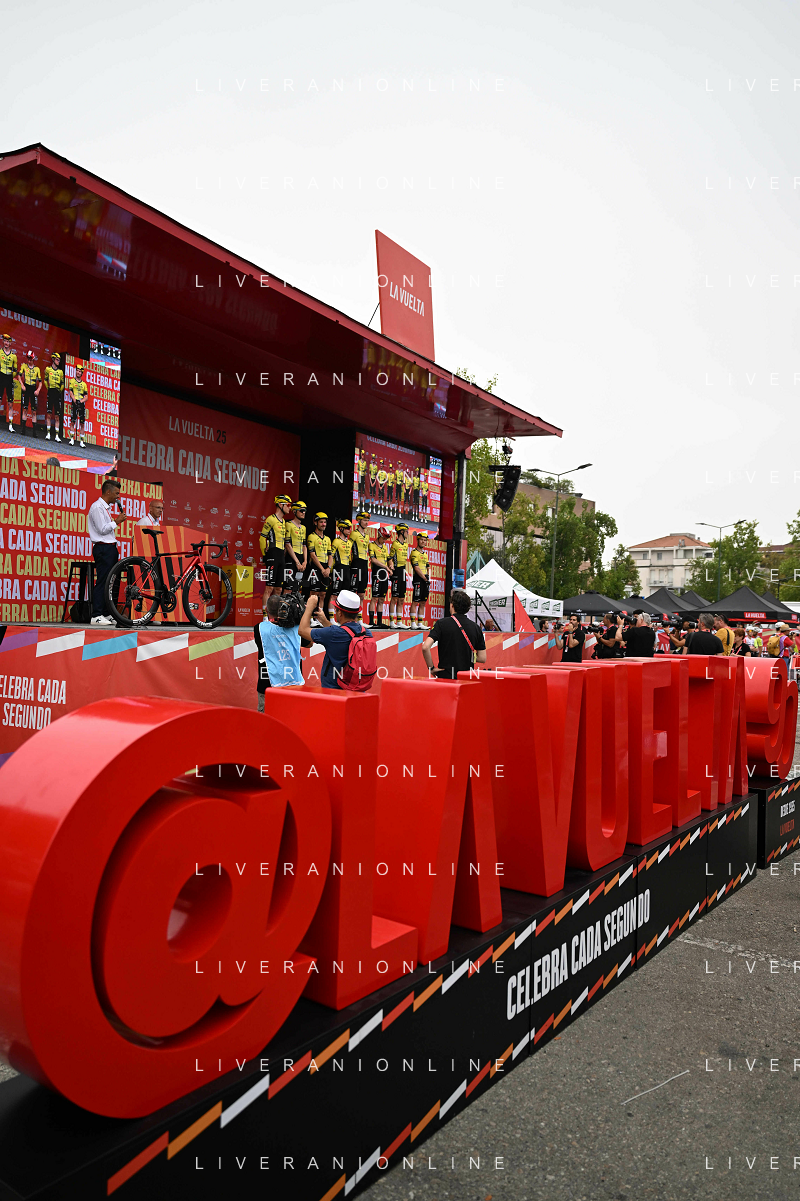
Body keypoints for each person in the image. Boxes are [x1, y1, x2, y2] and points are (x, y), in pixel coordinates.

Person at [299, 588, 373, 690]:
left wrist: (309, 608)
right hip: (356, 688)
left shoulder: (333, 634)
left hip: (334, 691)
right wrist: (324, 621)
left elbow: (302, 630)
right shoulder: (366, 632)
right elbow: (343, 632)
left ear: (340, 613)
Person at [253, 592, 307, 710]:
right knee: (292, 717)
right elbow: (309, 643)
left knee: (265, 719)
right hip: (293, 683)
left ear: (266, 610)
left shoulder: (259, 628)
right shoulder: (296, 629)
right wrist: (302, 617)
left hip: (267, 684)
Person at [422, 588, 487, 679]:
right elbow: (482, 658)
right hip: (466, 677)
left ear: (452, 605)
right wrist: (466, 654)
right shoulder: (475, 627)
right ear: (468, 608)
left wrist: (431, 668)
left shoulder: (441, 624)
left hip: (446, 677)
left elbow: (425, 647)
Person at [88, 478, 126, 625]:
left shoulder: (104, 508)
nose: (118, 497)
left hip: (109, 547)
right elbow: (102, 529)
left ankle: (105, 613)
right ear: (108, 492)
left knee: (111, 582)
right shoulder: (97, 507)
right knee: (103, 581)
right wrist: (116, 522)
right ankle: (96, 615)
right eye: (116, 493)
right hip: (103, 548)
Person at [259, 494, 293, 598]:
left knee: (279, 589)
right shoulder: (271, 519)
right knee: (269, 588)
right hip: (273, 554)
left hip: (281, 556)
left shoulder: (283, 522)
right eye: (288, 505)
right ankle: (265, 610)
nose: (290, 508)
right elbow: (262, 538)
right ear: (280, 505)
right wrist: (265, 555)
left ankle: (275, 609)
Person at [304, 512, 332, 624]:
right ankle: (310, 618)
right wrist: (322, 569)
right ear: (315, 523)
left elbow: (330, 555)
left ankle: (319, 618)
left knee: (323, 594)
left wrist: (328, 568)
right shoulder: (311, 536)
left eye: (325, 522)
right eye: (321, 522)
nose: (323, 524)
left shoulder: (328, 539)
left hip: (326, 567)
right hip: (315, 567)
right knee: (313, 594)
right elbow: (312, 555)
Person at [325, 518, 353, 622]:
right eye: (347, 528)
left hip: (347, 569)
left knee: (344, 596)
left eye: (350, 528)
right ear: (341, 529)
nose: (349, 530)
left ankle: (342, 619)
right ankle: (331, 619)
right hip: (338, 568)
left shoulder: (349, 542)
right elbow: (331, 556)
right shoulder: (336, 541)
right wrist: (330, 570)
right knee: (334, 595)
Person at [349, 509, 372, 621]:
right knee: (353, 592)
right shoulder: (354, 533)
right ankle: (350, 618)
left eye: (367, 520)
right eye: (364, 520)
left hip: (364, 564)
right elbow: (348, 548)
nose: (366, 522)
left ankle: (360, 619)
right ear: (359, 521)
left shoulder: (367, 536)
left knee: (362, 594)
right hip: (356, 563)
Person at [368, 526, 392, 628]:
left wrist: (391, 565)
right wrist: (386, 567)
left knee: (382, 598)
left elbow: (389, 559)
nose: (385, 541)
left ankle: (379, 622)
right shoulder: (372, 545)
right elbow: (373, 560)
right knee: (374, 597)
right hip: (377, 572)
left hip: (384, 573)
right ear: (379, 536)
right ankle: (371, 622)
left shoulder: (385, 547)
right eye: (384, 538)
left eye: (386, 539)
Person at [389, 522, 410, 629]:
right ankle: (391, 622)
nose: (408, 533)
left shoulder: (406, 545)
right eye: (406, 531)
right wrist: (391, 567)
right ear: (401, 532)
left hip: (403, 571)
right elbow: (390, 557)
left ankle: (399, 621)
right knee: (394, 597)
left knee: (401, 598)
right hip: (397, 571)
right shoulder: (395, 544)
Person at [409, 531, 430, 629]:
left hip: (425, 579)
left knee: (423, 602)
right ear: (417, 540)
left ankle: (420, 623)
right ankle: (413, 623)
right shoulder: (414, 552)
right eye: (421, 540)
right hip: (418, 578)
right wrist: (424, 577)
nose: (423, 542)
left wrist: (428, 577)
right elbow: (416, 567)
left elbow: (428, 567)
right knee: (415, 601)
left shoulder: (425, 554)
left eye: (425, 540)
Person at [284, 500, 308, 589]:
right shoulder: (288, 524)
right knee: (288, 588)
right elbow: (287, 545)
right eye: (301, 510)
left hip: (301, 558)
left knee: (297, 587)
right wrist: (297, 562)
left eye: (305, 510)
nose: (303, 512)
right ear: (294, 511)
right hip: (291, 558)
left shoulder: (304, 528)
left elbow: (304, 546)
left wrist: (305, 561)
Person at [19, 350, 41, 435]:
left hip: (33, 389)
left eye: (30, 359)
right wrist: (22, 385)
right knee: (25, 409)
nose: (29, 360)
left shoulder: (37, 369)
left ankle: (34, 432)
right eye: (28, 359)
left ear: (33, 359)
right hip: (26, 388)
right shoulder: (24, 366)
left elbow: (40, 382)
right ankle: (23, 430)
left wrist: (38, 390)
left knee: (34, 411)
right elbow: (19, 376)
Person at [44, 351, 65, 441]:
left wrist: (60, 390)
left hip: (57, 393)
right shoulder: (48, 369)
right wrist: (48, 388)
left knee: (57, 416)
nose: (58, 361)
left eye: (59, 360)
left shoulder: (60, 372)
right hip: (51, 392)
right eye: (57, 359)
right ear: (53, 359)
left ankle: (57, 435)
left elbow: (63, 383)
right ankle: (48, 433)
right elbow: (45, 380)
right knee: (49, 414)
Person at [67, 364, 89, 447]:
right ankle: (72, 439)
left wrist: (81, 401)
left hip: (81, 404)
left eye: (80, 371)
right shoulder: (72, 381)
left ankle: (82, 441)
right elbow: (70, 392)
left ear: (82, 373)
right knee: (73, 421)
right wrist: (74, 400)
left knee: (82, 423)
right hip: (75, 402)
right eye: (77, 371)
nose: (78, 372)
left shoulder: (84, 384)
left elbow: (86, 397)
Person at [0, 332, 17, 432]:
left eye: (8, 341)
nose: (6, 343)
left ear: (10, 343)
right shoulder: (0, 352)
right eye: (5, 341)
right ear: (3, 342)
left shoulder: (14, 356)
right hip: (1, 377)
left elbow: (15, 370)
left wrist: (10, 377)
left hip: (9, 378)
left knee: (10, 403)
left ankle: (10, 425)